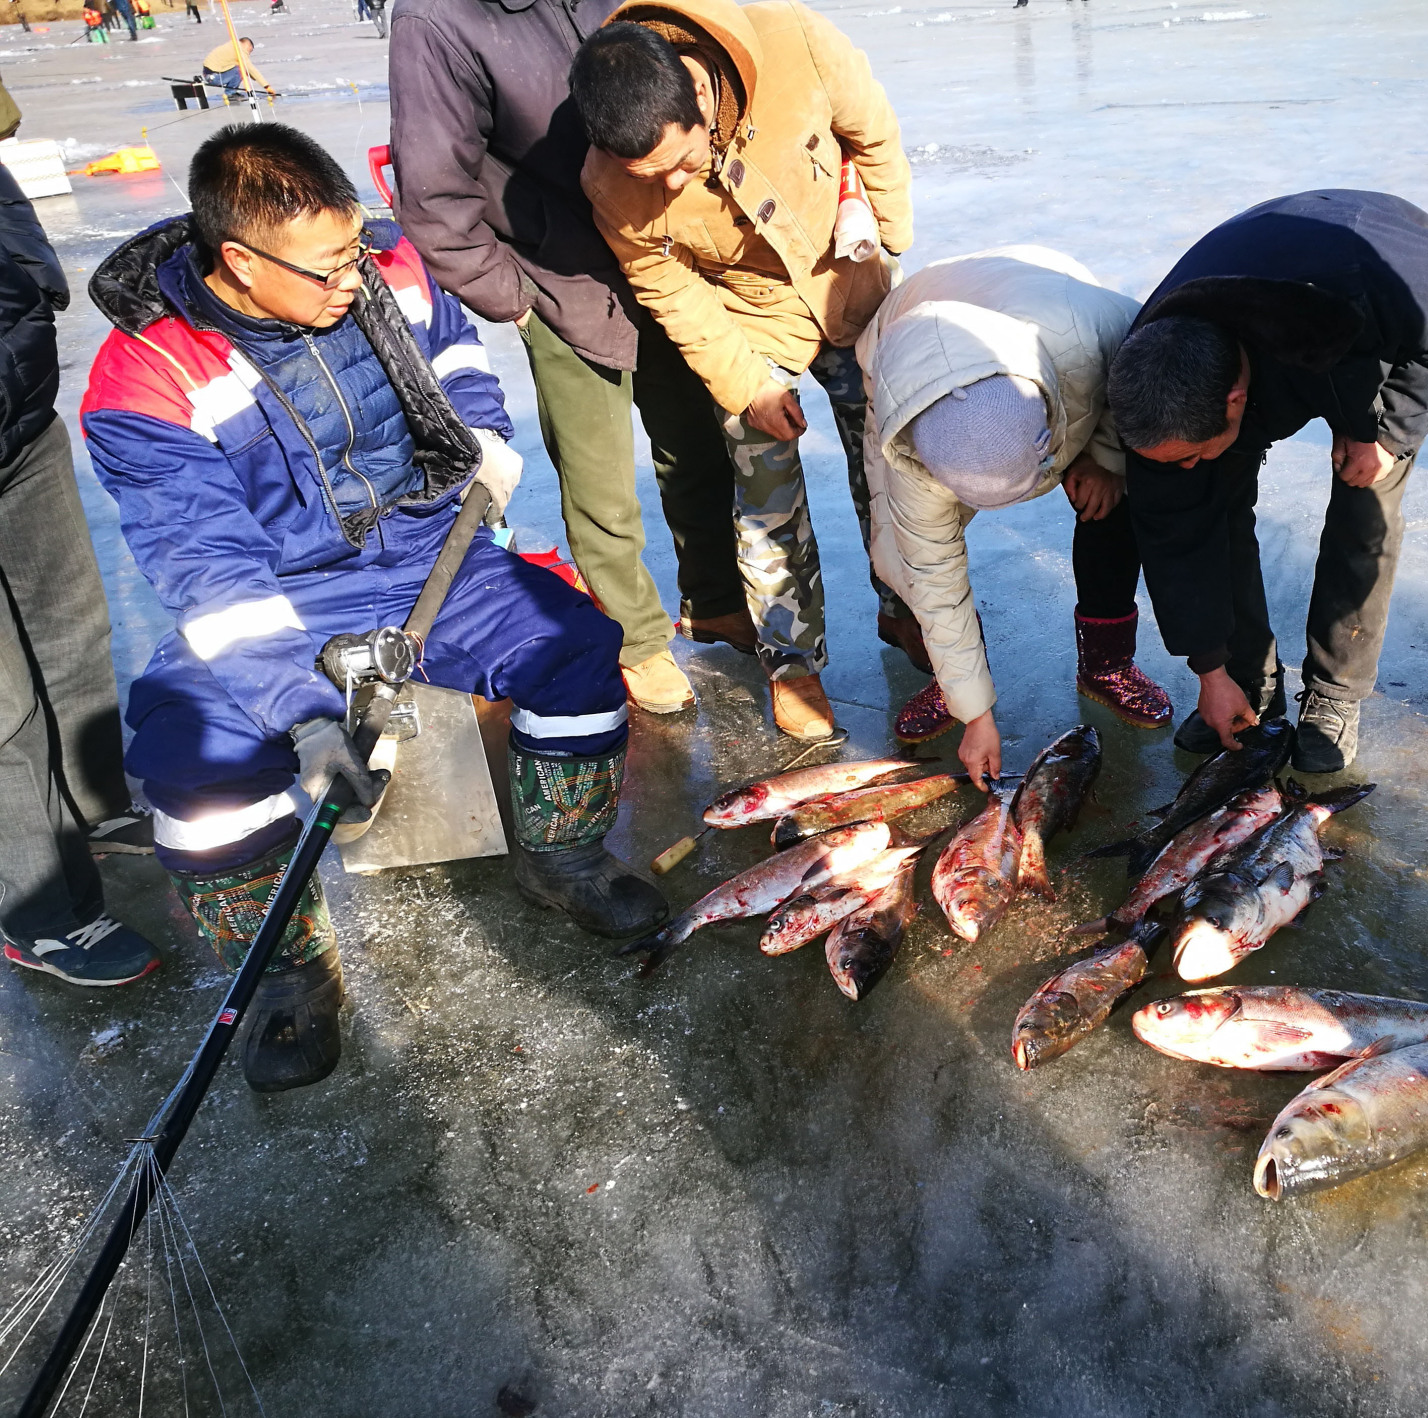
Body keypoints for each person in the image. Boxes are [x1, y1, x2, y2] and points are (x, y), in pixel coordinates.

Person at [79, 125, 669, 1093]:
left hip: (434, 552)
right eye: (323, 269)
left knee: (574, 645)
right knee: (193, 764)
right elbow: (208, 570)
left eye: (354, 252)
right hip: (282, 595)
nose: (351, 279)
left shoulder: (382, 262)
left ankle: (560, 857)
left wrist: (482, 435)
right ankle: (284, 969)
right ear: (238, 259)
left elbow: (454, 355)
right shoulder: (146, 375)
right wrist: (301, 713)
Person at [571, 1, 926, 743]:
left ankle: (910, 609)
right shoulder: (611, 181)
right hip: (750, 313)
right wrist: (748, 385)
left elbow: (874, 127)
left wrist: (887, 234)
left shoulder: (791, 38)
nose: (667, 187)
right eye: (649, 175)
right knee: (760, 476)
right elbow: (668, 287)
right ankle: (792, 662)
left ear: (700, 100)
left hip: (845, 275)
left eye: (677, 163)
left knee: (889, 461)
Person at [388, 0, 745, 719]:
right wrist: (515, 296)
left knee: (697, 444)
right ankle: (638, 641)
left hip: (659, 247)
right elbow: (431, 192)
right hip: (559, 274)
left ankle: (715, 600)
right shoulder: (436, 22)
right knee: (599, 476)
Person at [1107, 190, 1428, 772]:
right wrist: (1209, 669)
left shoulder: (1400, 289)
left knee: (1365, 502)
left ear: (1237, 401)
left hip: (1362, 306)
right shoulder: (1152, 373)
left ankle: (1336, 693)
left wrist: (1389, 431)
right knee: (1205, 505)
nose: (1182, 465)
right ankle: (1245, 679)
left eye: (1189, 453)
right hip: (1258, 320)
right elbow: (1174, 535)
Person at [854, 246, 1173, 777]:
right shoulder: (907, 442)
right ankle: (952, 680)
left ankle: (1106, 663)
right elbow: (935, 572)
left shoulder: (1097, 327)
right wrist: (975, 716)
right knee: (902, 556)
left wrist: (1107, 460)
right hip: (906, 352)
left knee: (1118, 497)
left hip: (1048, 309)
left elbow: (1136, 377)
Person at [0, 164, 162, 990]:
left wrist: (27, 290)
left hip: (15, 417)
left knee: (73, 626)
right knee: (2, 710)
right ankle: (42, 910)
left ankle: (99, 804)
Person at [202, 37, 278, 100]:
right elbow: (251, 69)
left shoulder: (233, 45)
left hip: (210, 74)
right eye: (250, 51)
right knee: (241, 69)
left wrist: (251, 76)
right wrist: (267, 86)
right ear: (248, 46)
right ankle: (230, 94)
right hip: (214, 77)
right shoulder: (240, 50)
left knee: (241, 69)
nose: (249, 54)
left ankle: (231, 91)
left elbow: (248, 71)